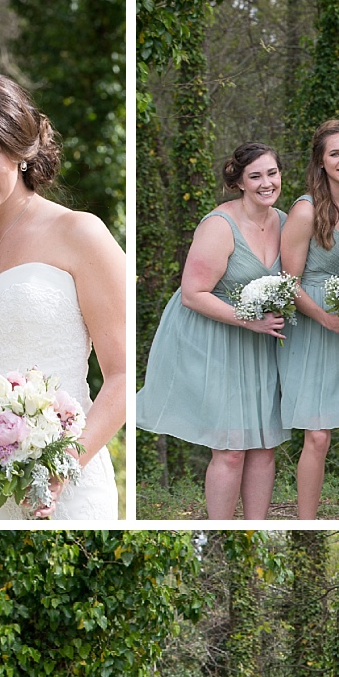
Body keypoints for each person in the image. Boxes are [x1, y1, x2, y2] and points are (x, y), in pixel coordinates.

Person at [0, 74, 125, 523]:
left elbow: (121, 379)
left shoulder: (81, 234)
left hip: (62, 479)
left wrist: (59, 469)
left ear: (20, 148)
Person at [135, 141, 286, 519]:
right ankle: (222, 524)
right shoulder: (220, 225)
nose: (266, 183)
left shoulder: (285, 222)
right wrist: (250, 319)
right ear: (239, 182)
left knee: (265, 445)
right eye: (256, 176)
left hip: (263, 341)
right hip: (216, 339)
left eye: (272, 173)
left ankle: (256, 526)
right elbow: (192, 293)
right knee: (232, 447)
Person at [279, 120, 339, 519]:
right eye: (334, 153)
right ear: (320, 161)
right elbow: (288, 282)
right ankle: (305, 521)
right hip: (315, 323)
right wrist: (326, 319)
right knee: (318, 435)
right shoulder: (305, 210)